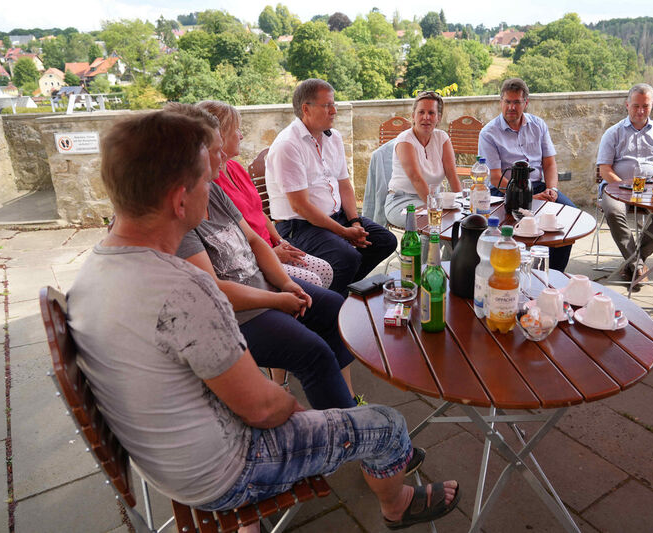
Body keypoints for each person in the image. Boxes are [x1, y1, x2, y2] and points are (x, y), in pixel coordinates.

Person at [67, 111, 459, 533]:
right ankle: (397, 505)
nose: (213, 186)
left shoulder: (92, 273)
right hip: (227, 472)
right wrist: (306, 416)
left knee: (323, 362)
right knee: (386, 425)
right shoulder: (185, 290)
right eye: (206, 180)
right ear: (180, 200)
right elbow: (265, 408)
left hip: (163, 458)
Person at [163, 103, 358, 411]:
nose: (223, 156)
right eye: (215, 150)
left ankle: (344, 403)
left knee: (335, 306)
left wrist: (286, 284)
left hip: (262, 286)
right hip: (235, 316)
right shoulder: (177, 213)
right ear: (192, 154)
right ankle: (345, 425)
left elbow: (254, 239)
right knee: (313, 352)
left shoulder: (212, 190)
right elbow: (214, 291)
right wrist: (277, 299)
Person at [266, 78, 397, 295]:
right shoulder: (288, 145)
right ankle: (330, 304)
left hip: (335, 217)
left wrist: (354, 222)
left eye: (333, 104)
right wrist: (344, 233)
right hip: (298, 226)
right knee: (347, 257)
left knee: (385, 241)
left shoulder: (333, 137)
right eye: (327, 105)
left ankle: (338, 291)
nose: (334, 111)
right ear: (306, 109)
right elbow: (300, 206)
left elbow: (344, 184)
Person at [192, 100, 333, 289]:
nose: (241, 136)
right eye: (236, 130)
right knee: (314, 280)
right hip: (250, 259)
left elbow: (258, 212)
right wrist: (273, 253)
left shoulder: (235, 168)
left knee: (325, 269)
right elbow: (228, 244)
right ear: (221, 135)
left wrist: (280, 241)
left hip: (268, 246)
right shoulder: (212, 184)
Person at [478, 78, 576, 271]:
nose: (511, 107)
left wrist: (552, 189)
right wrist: (527, 198)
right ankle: (516, 270)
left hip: (538, 186)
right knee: (515, 229)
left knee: (567, 220)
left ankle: (552, 276)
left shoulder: (538, 125)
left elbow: (549, 163)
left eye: (517, 102)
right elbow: (495, 177)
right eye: (507, 101)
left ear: (526, 103)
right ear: (500, 102)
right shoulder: (488, 133)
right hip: (505, 191)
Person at [596, 84, 653, 286]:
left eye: (645, 106)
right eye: (636, 106)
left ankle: (633, 262)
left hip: (650, 189)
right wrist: (623, 187)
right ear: (627, 105)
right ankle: (638, 265)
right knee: (613, 212)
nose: (640, 111)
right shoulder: (613, 133)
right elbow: (604, 169)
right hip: (616, 188)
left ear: (652, 105)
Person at [384, 90, 461, 227]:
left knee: (461, 223)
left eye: (431, 113)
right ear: (413, 116)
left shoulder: (442, 138)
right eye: (421, 112)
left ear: (438, 118)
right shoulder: (405, 140)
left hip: (434, 200)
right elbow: (416, 179)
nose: (426, 117)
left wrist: (462, 204)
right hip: (402, 201)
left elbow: (452, 175)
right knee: (431, 223)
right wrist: (435, 208)